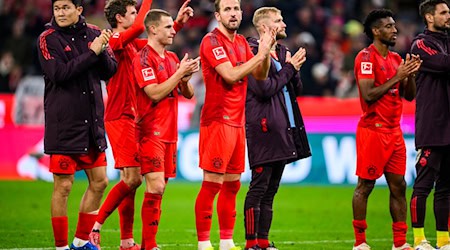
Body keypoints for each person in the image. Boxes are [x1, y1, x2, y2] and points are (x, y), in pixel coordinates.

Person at [88, 0, 193, 249]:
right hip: (120, 115)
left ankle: (126, 241)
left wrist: (175, 24)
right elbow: (141, 29)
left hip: (136, 116)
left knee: (133, 179)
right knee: (133, 178)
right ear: (119, 18)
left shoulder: (136, 44)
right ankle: (95, 226)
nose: (137, 18)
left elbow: (154, 38)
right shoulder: (113, 40)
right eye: (133, 13)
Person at [194, 0, 276, 249]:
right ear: (218, 15)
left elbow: (260, 75)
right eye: (227, 9)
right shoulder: (212, 41)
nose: (233, 13)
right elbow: (230, 75)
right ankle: (204, 243)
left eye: (236, 9)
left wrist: (266, 50)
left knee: (232, 185)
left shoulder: (241, 42)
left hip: (238, 122)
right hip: (218, 120)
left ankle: (227, 241)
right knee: (212, 184)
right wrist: (260, 55)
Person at [36, 0, 117, 249]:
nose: (60, 12)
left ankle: (81, 242)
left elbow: (109, 71)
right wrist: (92, 52)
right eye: (57, 8)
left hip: (92, 123)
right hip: (65, 124)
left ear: (79, 10)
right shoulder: (47, 39)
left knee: (100, 181)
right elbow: (60, 74)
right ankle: (61, 247)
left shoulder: (94, 33)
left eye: (65, 7)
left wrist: (102, 50)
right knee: (64, 185)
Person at [351, 9, 421, 250]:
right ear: (375, 31)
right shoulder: (366, 58)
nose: (395, 30)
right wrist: (397, 76)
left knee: (399, 186)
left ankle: (400, 243)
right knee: (366, 186)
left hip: (395, 131)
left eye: (394, 26)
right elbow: (368, 95)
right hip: (373, 130)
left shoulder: (395, 59)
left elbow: (409, 96)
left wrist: (409, 75)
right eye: (389, 27)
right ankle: (360, 242)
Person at [242, 7, 312, 250]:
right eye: (278, 20)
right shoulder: (251, 51)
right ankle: (251, 243)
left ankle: (263, 240)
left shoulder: (283, 52)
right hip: (263, 127)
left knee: (271, 189)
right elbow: (263, 90)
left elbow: (295, 90)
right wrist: (290, 68)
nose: (284, 23)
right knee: (259, 186)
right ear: (264, 27)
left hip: (285, 127)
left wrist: (294, 70)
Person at [132, 9, 199, 250]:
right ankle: (148, 245)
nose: (174, 30)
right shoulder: (142, 58)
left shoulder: (171, 58)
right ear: (152, 29)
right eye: (168, 26)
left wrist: (185, 77)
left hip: (171, 132)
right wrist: (179, 73)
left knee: (160, 189)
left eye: (173, 26)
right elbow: (154, 93)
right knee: (156, 186)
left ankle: (149, 244)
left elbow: (188, 95)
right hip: (150, 131)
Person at [409, 1, 450, 249]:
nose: (449, 16)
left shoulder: (447, 42)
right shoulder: (421, 44)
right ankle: (419, 239)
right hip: (433, 124)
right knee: (423, 185)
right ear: (429, 16)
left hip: (449, 126)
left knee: (446, 187)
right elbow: (444, 64)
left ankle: (444, 240)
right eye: (444, 12)